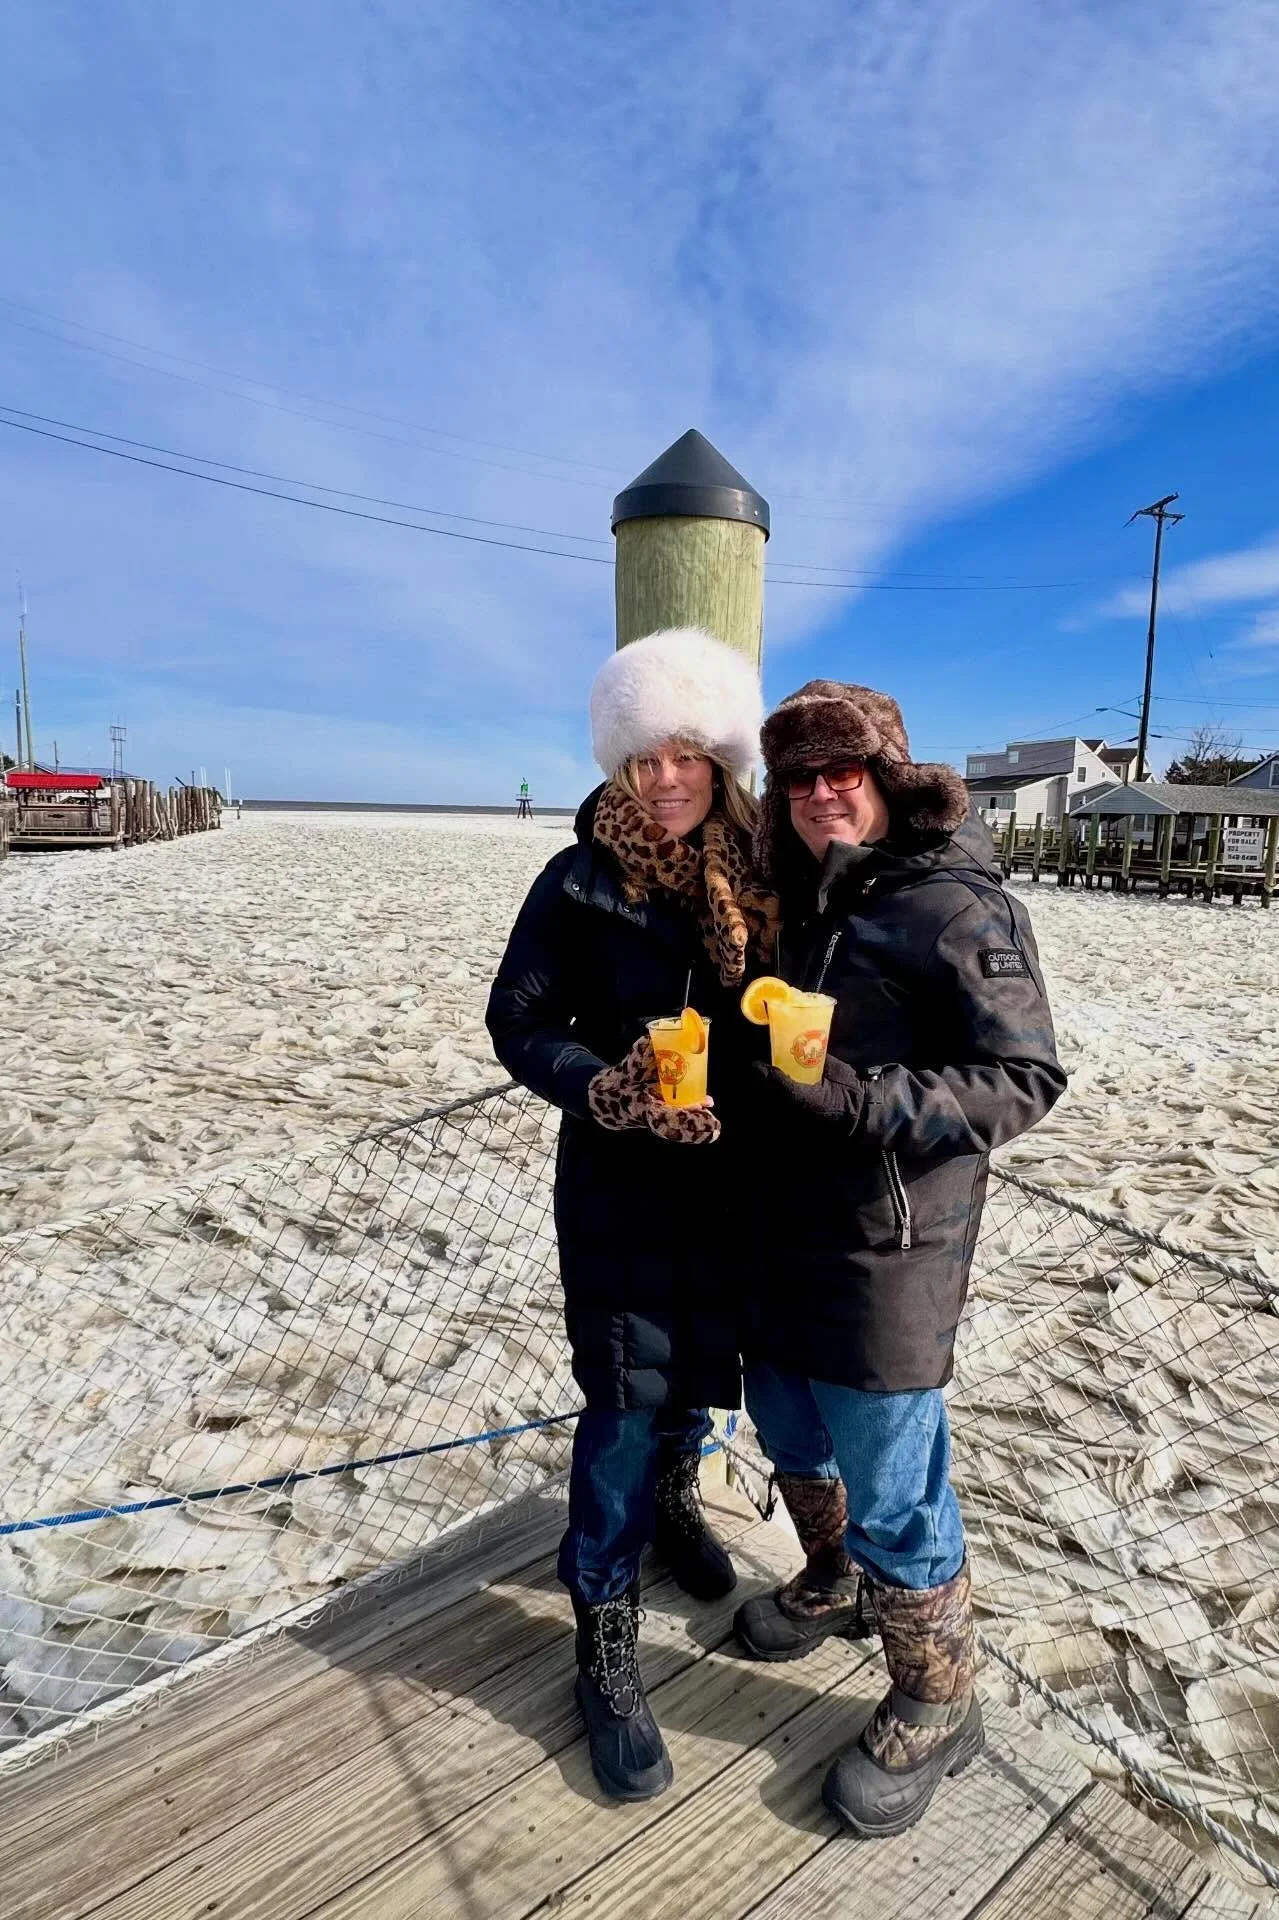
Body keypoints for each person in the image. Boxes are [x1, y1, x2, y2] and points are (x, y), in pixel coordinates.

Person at [733, 679, 1065, 1838]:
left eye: (843, 774)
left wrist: (862, 1100)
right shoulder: (809, 897)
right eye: (800, 779)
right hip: (782, 1229)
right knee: (787, 1423)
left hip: (891, 1241)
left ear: (888, 781)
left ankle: (939, 1695)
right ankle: (835, 1583)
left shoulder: (956, 905)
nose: (822, 794)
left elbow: (1026, 1079)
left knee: (894, 1481)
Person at [486, 627, 776, 1803]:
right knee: (617, 1403)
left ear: (718, 763)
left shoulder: (762, 875)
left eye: (686, 756)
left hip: (726, 1183)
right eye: (642, 759)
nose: (664, 780)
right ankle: (603, 1639)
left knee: (698, 1377)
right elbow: (516, 1018)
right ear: (615, 766)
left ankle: (675, 1506)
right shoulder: (576, 881)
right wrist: (598, 1086)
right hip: (614, 1182)